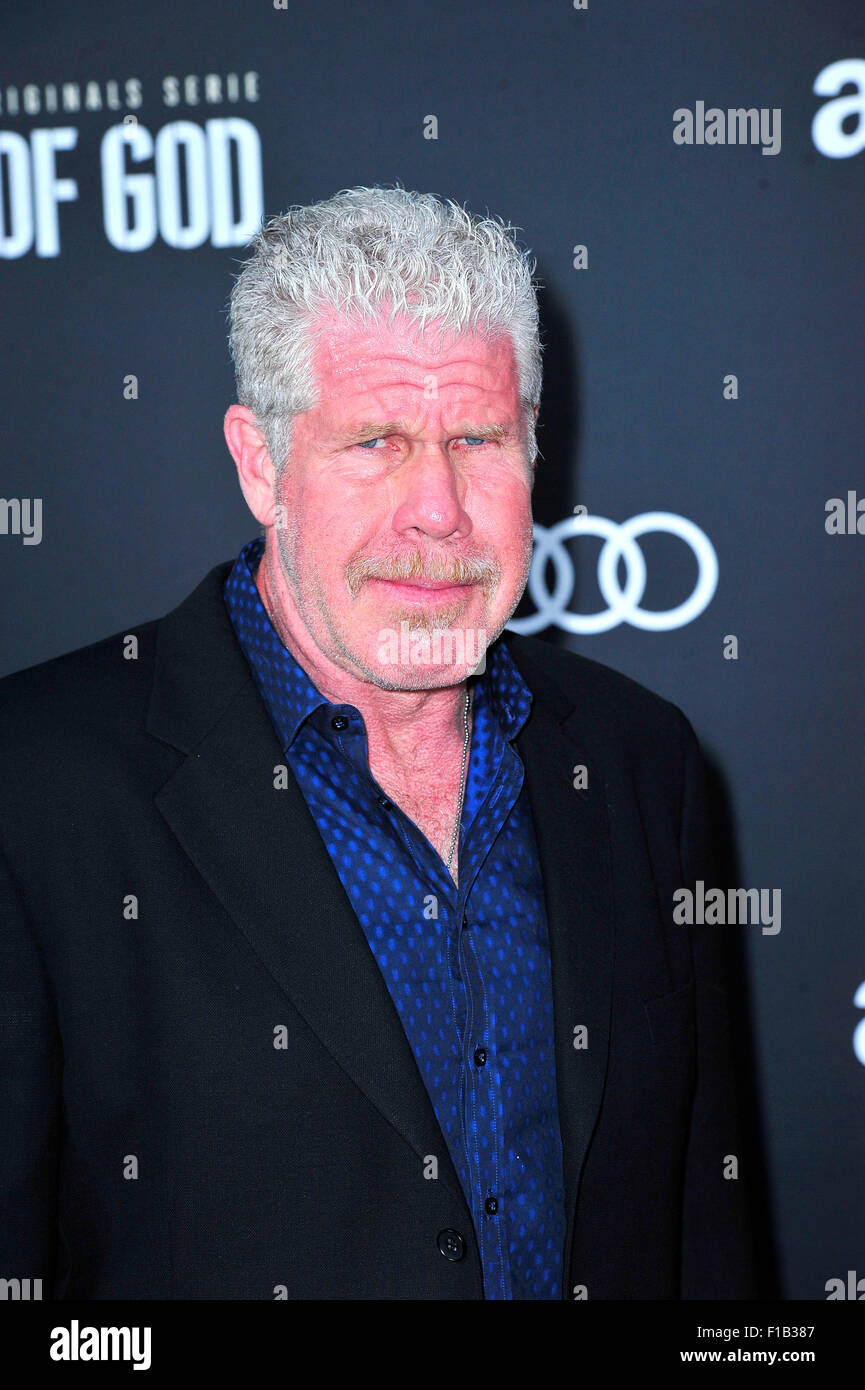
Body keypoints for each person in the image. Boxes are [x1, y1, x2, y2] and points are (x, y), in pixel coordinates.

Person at [0, 186, 756, 1299]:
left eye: (477, 439)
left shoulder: (642, 761)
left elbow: (705, 1248)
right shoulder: (37, 786)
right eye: (377, 441)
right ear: (260, 464)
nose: (439, 510)